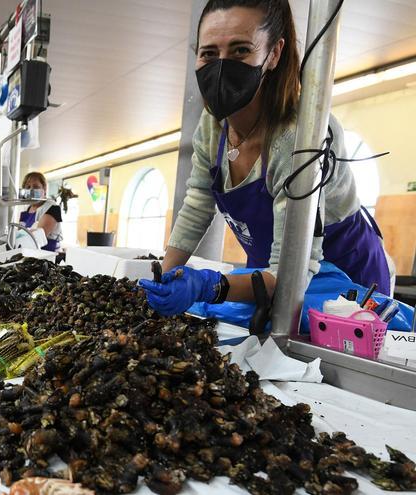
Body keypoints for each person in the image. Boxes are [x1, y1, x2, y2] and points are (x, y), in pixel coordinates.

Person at [139, 0, 390, 317]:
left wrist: (209, 287)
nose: (221, 66)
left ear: (273, 53)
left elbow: (292, 277)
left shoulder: (301, 138)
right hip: (270, 273)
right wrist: (165, 280)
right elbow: (199, 202)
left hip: (344, 285)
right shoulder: (213, 125)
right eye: (209, 54)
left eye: (241, 50)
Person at [18, 172, 63, 252]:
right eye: (28, 187)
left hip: (49, 255)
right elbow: (20, 235)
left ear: (44, 189)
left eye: (36, 187)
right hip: (29, 253)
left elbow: (37, 238)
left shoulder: (52, 208)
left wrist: (18, 237)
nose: (31, 190)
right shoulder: (26, 210)